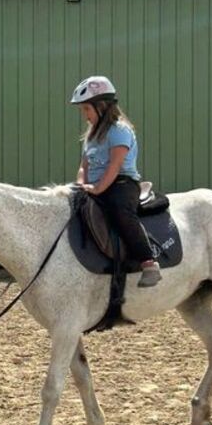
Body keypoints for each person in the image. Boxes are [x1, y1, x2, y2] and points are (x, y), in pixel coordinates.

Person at [71, 75, 162, 287]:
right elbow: (84, 165)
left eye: (87, 109)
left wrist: (98, 187)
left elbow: (115, 165)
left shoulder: (119, 130)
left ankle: (148, 262)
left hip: (120, 184)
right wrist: (80, 184)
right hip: (95, 186)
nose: (84, 115)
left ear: (102, 107)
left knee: (120, 210)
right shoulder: (91, 135)